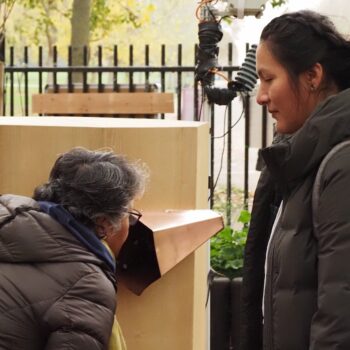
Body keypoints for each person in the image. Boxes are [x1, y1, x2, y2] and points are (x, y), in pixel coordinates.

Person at [240, 10, 350, 350]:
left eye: (269, 79)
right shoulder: (297, 160)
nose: (260, 96)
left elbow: (340, 315)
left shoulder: (341, 164)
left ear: (312, 76)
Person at [0, 147, 147, 349]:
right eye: (129, 216)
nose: (129, 225)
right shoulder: (86, 285)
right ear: (104, 223)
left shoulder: (9, 224)